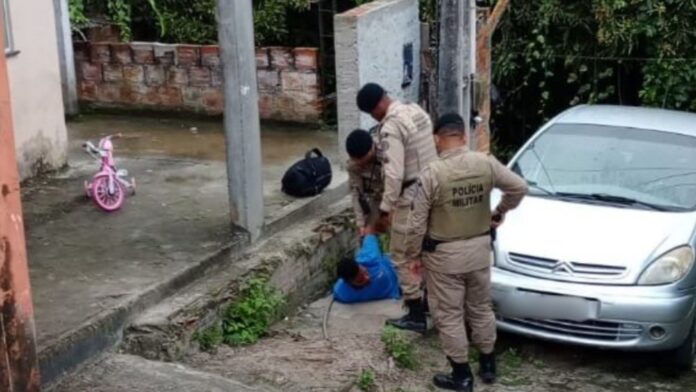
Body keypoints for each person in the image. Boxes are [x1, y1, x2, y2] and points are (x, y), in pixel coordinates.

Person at [405, 113, 527, 391]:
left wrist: (413, 257)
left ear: (437, 138)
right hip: (479, 251)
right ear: (463, 135)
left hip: (444, 257)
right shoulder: (485, 163)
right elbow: (519, 187)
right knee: (480, 308)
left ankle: (461, 375)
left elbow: (416, 223)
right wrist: (499, 212)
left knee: (448, 314)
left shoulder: (433, 173)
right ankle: (487, 364)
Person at [356, 83, 437, 332]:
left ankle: (415, 313)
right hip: (433, 187)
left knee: (401, 253)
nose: (374, 118)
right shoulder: (415, 111)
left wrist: (385, 208)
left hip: (411, 194)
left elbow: (394, 174)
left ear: (378, 106)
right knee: (427, 249)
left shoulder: (390, 127)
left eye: (372, 113)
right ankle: (429, 304)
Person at [333, 231, 401, 304]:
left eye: (365, 272)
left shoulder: (369, 258)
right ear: (349, 283)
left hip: (399, 264)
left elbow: (370, 230)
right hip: (401, 287)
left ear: (360, 264)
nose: (367, 278)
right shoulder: (343, 293)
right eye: (360, 280)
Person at [345, 128, 384, 240]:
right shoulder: (353, 165)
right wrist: (360, 224)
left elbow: (396, 185)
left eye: (362, 159)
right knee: (366, 235)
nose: (359, 163)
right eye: (356, 160)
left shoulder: (386, 155)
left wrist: (386, 214)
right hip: (377, 197)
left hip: (398, 195)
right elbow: (357, 194)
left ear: (371, 149)